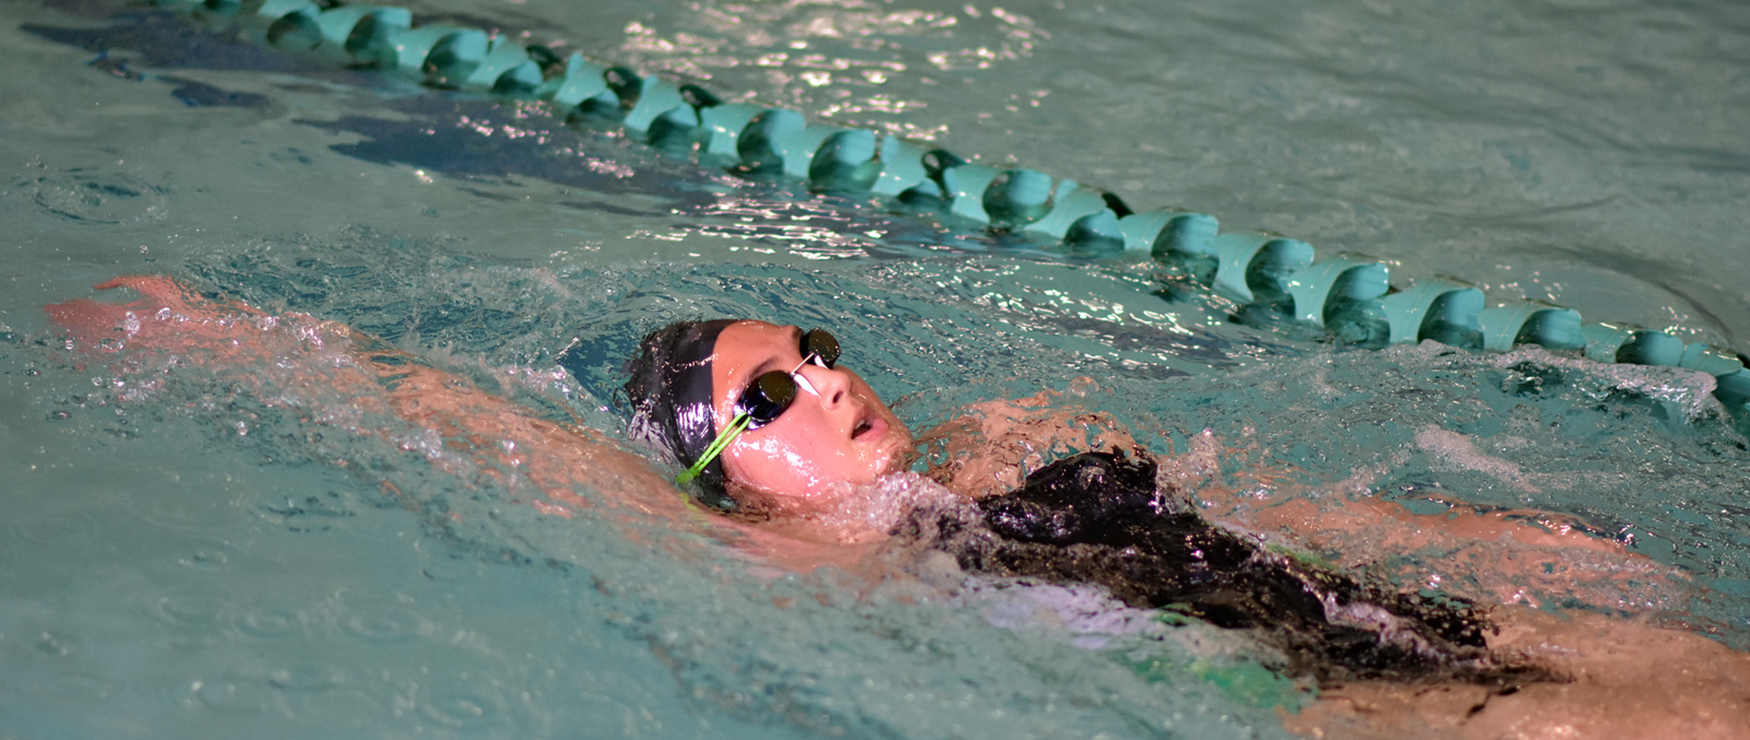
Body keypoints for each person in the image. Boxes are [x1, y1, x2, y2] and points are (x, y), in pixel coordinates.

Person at [48, 277, 1750, 738]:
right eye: (766, 400)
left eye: (815, 351)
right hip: (1345, 708)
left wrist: (1485, 553)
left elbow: (1273, 511)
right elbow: (485, 444)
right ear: (722, 481)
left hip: (1428, 625)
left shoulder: (1017, 435)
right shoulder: (817, 569)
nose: (824, 383)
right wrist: (242, 347)